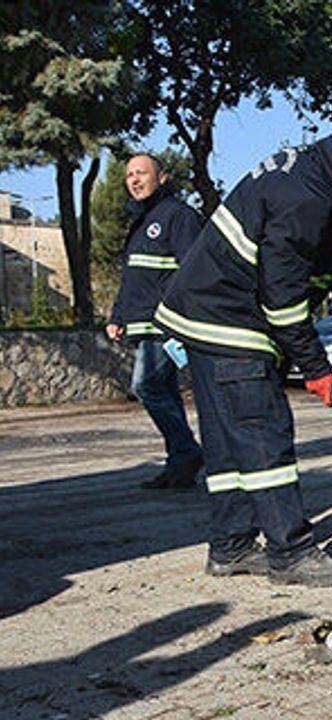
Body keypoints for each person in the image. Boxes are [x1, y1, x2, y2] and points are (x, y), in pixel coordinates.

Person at [154, 108, 332, 586]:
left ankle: (231, 546)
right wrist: (314, 366)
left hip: (204, 313)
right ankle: (291, 552)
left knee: (229, 442)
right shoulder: (308, 197)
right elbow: (284, 299)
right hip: (231, 318)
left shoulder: (309, 174)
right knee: (263, 429)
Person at [106, 154, 204, 490]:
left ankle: (187, 452)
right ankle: (179, 465)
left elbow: (193, 272)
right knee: (164, 391)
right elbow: (133, 276)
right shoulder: (140, 220)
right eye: (129, 174)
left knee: (145, 385)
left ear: (161, 177)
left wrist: (178, 317)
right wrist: (118, 316)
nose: (134, 180)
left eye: (141, 173)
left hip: (164, 325)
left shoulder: (179, 216)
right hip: (143, 325)